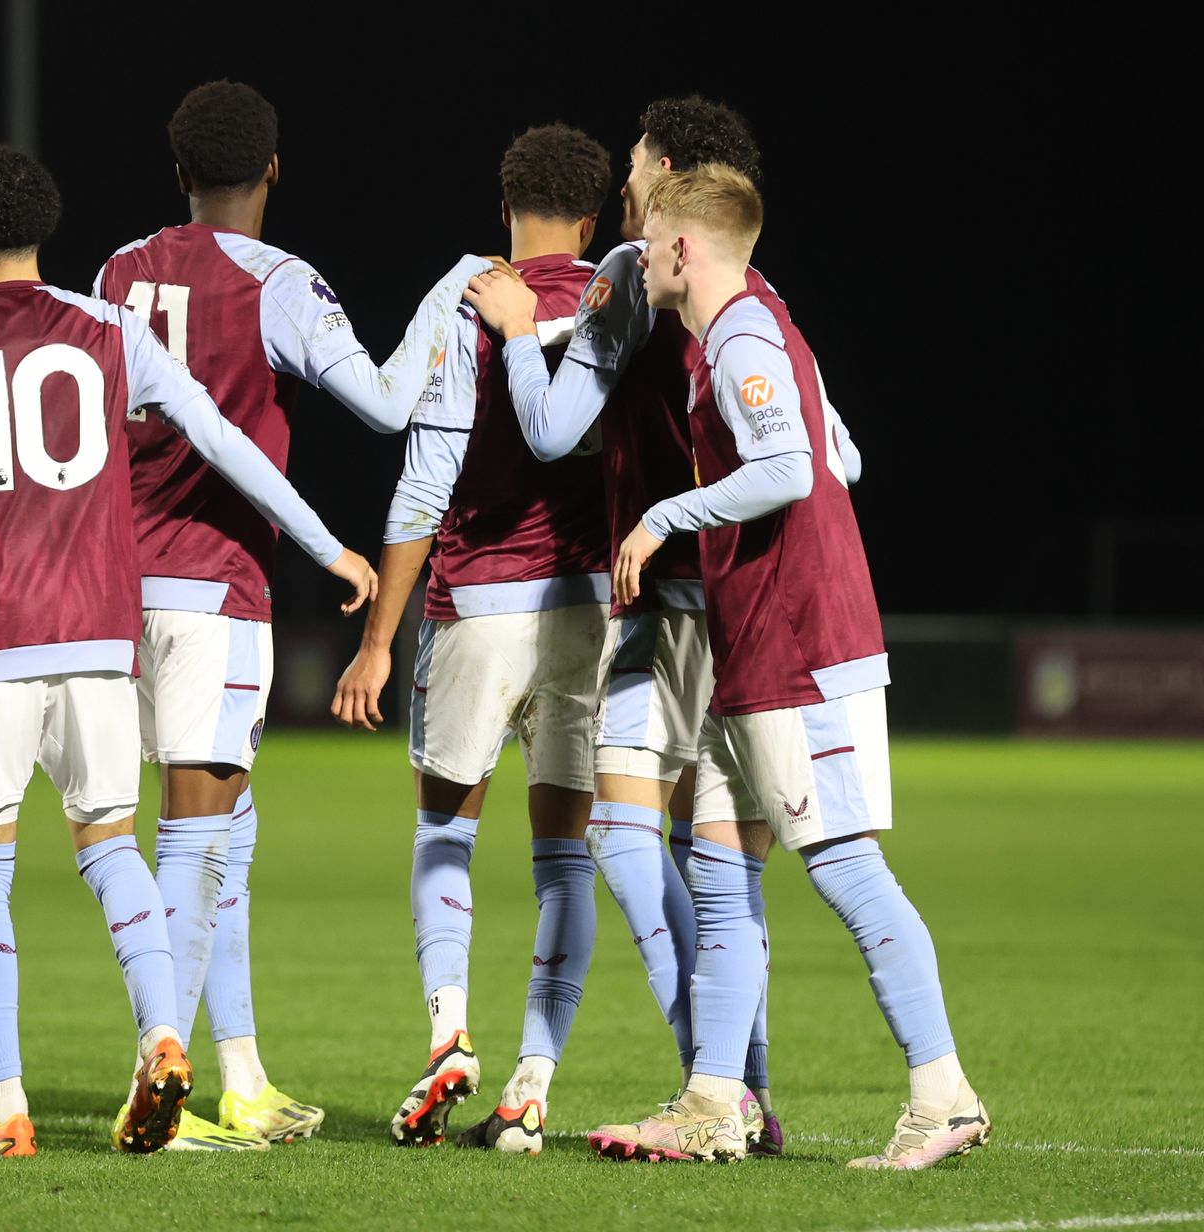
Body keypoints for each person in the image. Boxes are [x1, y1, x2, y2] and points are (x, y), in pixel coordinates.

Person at [0, 143, 377, 1157]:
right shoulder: (109, 328)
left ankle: (8, 1110)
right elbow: (222, 437)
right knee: (111, 847)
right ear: (39, 232)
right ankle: (162, 1039)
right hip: (101, 637)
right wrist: (327, 543)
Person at [533, 164, 986, 1167]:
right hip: (755, 644)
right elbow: (840, 455)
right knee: (722, 868)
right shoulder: (741, 333)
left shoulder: (738, 333)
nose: (636, 253)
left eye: (649, 238)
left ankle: (942, 1090)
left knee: (847, 866)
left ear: (684, 250)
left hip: (798, 645)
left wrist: (662, 515)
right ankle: (713, 1100)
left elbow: (790, 467)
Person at [91, 80, 493, 1148]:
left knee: (229, 831)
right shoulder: (278, 282)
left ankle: (243, 1074)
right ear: (274, 170)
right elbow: (388, 400)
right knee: (195, 835)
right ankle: (162, 1084)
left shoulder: (117, 271)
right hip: (216, 587)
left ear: (179, 173)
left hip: (114, 587)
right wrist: (456, 281)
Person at [331, 124, 614, 1155]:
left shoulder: (467, 295)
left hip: (481, 603)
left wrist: (376, 640)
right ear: (594, 218)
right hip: (588, 609)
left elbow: (425, 474)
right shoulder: (615, 295)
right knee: (561, 856)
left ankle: (451, 1030)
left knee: (444, 831)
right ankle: (533, 1084)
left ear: (506, 206)